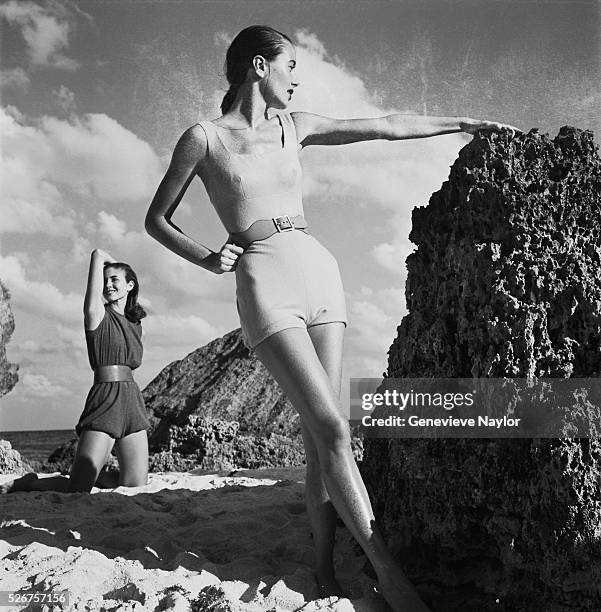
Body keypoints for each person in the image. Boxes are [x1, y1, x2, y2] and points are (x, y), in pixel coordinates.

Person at [144, 25, 516, 611]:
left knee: (322, 441)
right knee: (337, 430)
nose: (297, 78)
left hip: (320, 273)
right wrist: (209, 257)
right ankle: (387, 572)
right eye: (291, 65)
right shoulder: (204, 139)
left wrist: (466, 123)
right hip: (264, 282)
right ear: (258, 66)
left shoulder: (297, 127)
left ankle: (322, 569)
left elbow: (386, 125)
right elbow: (157, 219)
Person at [2, 249, 150, 494]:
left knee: (135, 485)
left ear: (130, 285)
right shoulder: (96, 313)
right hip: (105, 400)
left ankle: (100, 477)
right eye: (105, 280)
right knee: (78, 489)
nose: (109, 284)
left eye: (115, 279)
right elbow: (97, 254)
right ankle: (28, 483)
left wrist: (120, 268)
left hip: (133, 401)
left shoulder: (136, 323)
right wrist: (108, 262)